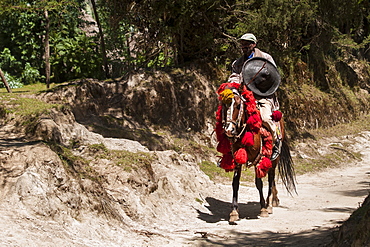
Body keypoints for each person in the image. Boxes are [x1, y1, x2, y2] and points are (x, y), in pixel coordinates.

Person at [228, 33, 282, 160]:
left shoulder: (265, 58)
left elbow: (272, 76)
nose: (244, 46)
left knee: (265, 118)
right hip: (243, 95)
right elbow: (234, 76)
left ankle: (276, 142)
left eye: (247, 43)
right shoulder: (237, 63)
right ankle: (229, 151)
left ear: (254, 44)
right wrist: (234, 85)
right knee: (229, 115)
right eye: (242, 44)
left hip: (263, 95)